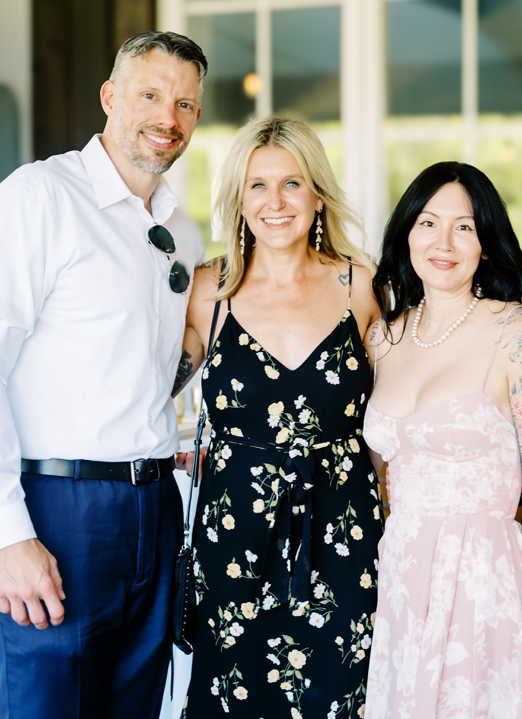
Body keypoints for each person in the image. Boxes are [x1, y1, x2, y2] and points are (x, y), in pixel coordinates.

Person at [0, 32, 207, 719]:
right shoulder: (39, 198)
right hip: (53, 508)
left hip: (152, 510)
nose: (167, 117)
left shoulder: (184, 230)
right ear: (110, 96)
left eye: (186, 104)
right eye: (149, 94)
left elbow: (141, 374)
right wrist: (6, 533)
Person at [363, 161, 522, 719]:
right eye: (427, 223)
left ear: (487, 244)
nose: (443, 242)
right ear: (407, 233)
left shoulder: (519, 333)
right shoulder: (382, 336)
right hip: (399, 575)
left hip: (480, 577)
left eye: (464, 227)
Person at [173, 116, 382, 718]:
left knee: (341, 696)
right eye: (257, 185)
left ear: (317, 193)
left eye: (291, 183)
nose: (275, 202)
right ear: (238, 200)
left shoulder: (361, 286)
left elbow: (402, 403)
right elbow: (148, 387)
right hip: (233, 534)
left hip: (343, 532)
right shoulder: (210, 291)